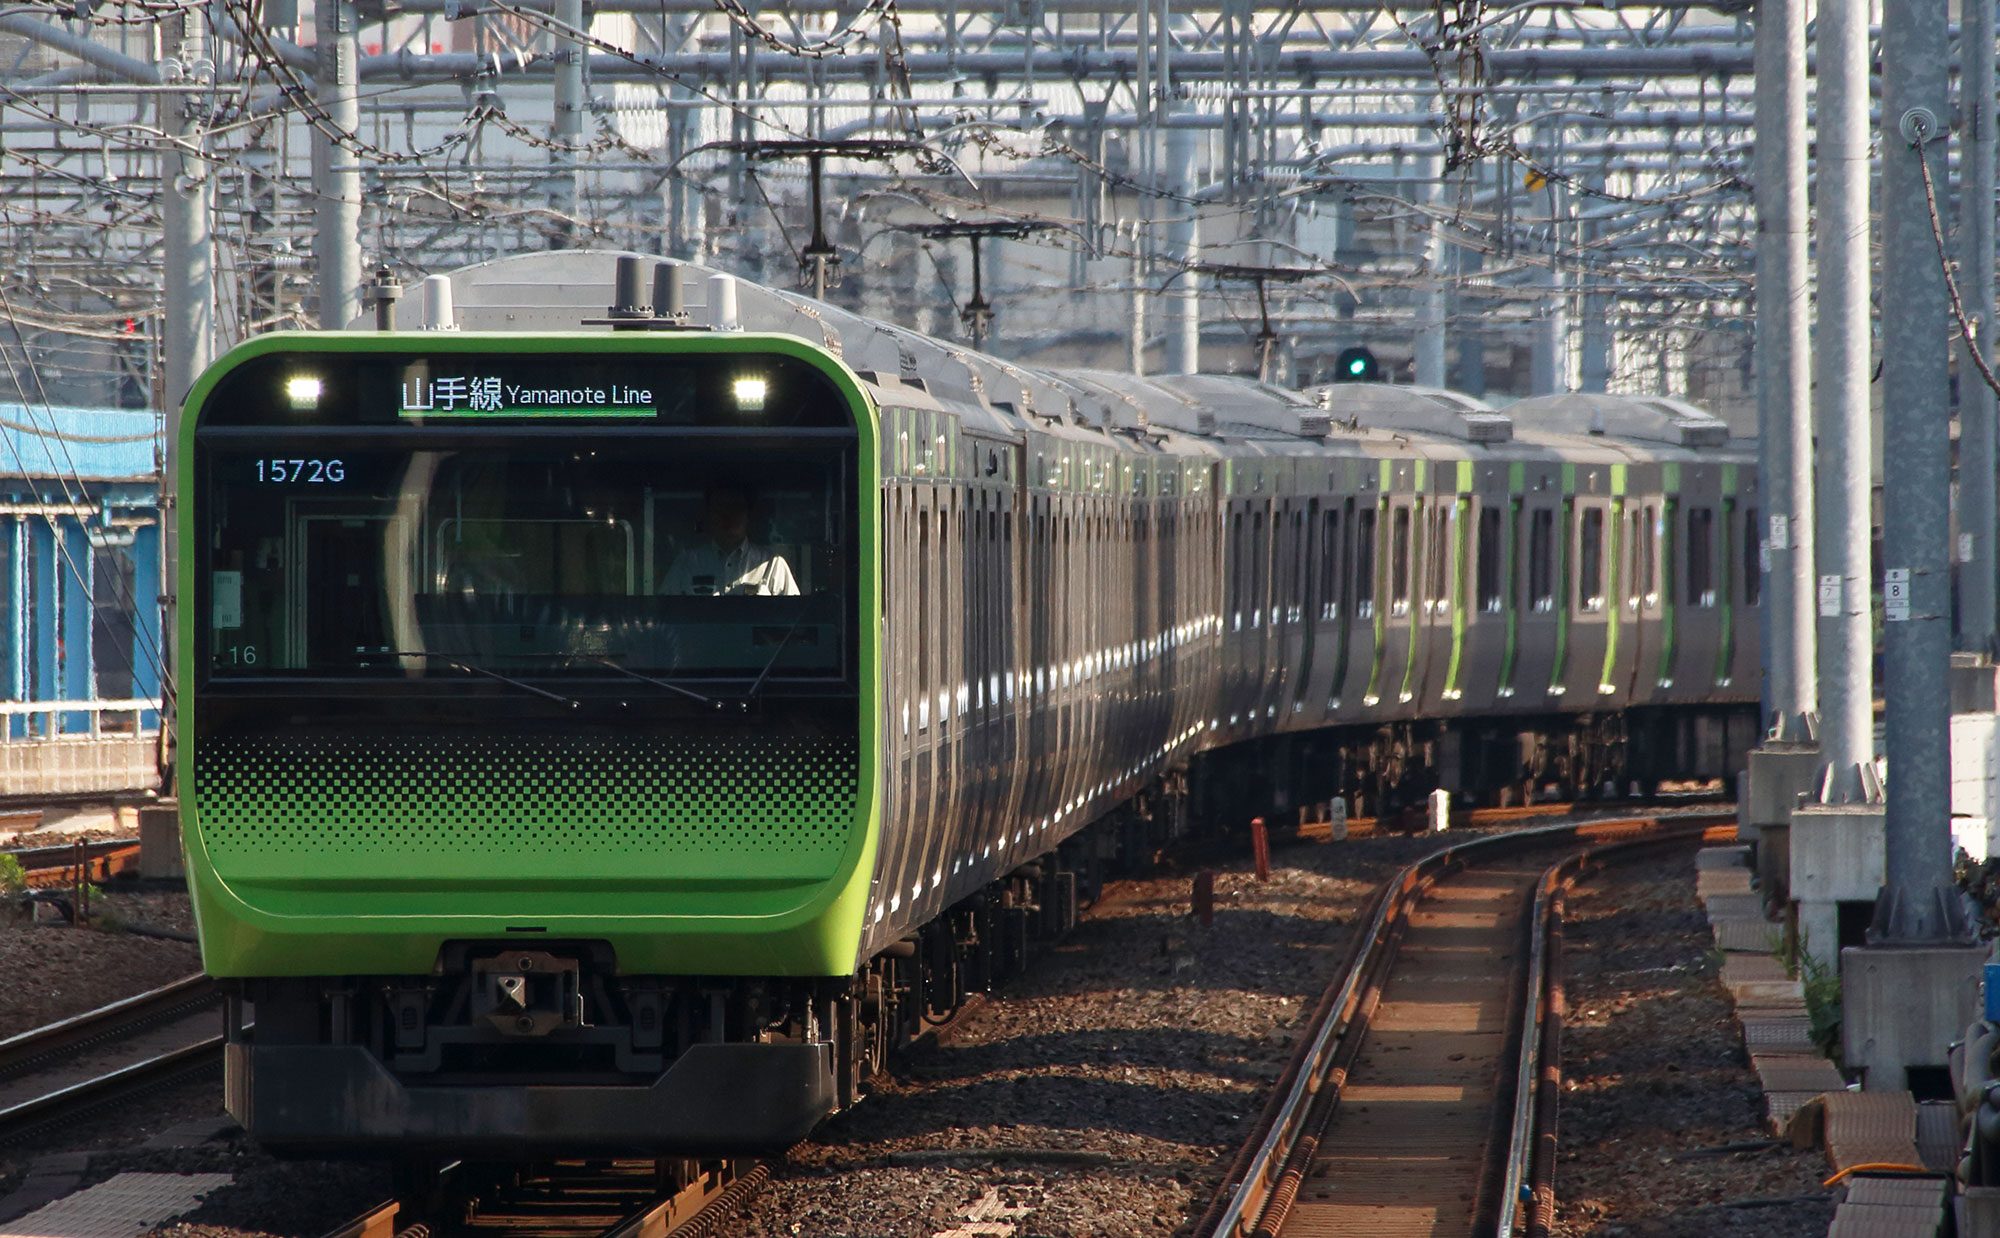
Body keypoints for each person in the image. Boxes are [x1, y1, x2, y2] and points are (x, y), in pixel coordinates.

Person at [662, 484, 799, 596]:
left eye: (736, 507)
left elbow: (793, 620)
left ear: (748, 515)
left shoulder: (772, 565)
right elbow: (662, 619)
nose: (728, 515)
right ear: (710, 514)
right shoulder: (686, 564)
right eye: (720, 508)